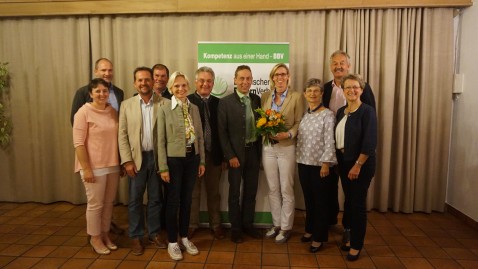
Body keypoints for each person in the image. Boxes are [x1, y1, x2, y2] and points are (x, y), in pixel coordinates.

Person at [323, 50, 376, 245]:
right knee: (330, 189)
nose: (338, 66)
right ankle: (330, 221)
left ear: (349, 66)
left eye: (342, 63)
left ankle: (349, 229)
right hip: (333, 150)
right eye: (335, 63)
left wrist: (360, 161)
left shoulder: (362, 88)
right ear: (330, 67)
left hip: (356, 154)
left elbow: (369, 121)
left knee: (353, 198)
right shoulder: (326, 89)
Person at [70, 57, 124, 236]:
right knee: (96, 204)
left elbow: (120, 132)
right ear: (91, 93)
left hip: (113, 162)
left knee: (108, 203)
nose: (102, 94)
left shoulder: (115, 104)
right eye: (103, 70)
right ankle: (95, 238)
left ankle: (105, 232)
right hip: (93, 163)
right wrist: (86, 167)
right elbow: (78, 137)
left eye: (110, 70)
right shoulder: (83, 108)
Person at [118, 67, 168, 256]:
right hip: (135, 160)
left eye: (147, 80)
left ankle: (154, 233)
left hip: (156, 159)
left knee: (156, 199)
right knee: (135, 200)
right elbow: (122, 135)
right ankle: (136, 235)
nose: (144, 83)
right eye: (140, 80)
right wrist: (127, 161)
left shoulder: (165, 103)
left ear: (153, 82)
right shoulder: (126, 105)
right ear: (134, 83)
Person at [157, 71, 205, 261]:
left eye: (184, 85)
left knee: (187, 200)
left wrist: (201, 161)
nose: (181, 89)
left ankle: (184, 237)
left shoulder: (194, 108)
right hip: (173, 161)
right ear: (170, 89)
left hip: (192, 159)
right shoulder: (163, 108)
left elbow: (199, 136)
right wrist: (163, 167)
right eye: (176, 86)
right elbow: (160, 140)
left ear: (189, 87)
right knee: (173, 201)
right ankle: (172, 242)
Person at [217, 65, 263, 243]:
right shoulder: (225, 102)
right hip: (235, 155)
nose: (245, 82)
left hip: (253, 153)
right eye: (241, 78)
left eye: (248, 78)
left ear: (252, 81)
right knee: (234, 192)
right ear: (235, 80)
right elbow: (222, 132)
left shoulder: (256, 99)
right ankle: (235, 228)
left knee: (251, 191)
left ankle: (247, 224)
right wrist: (230, 156)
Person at [335, 74, 377, 261]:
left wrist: (358, 165)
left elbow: (369, 142)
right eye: (348, 88)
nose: (352, 91)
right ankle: (350, 237)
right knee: (350, 203)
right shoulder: (341, 112)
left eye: (355, 87)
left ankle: (356, 245)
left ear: (361, 90)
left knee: (358, 205)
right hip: (344, 163)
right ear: (342, 90)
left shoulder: (367, 111)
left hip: (361, 165)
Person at [261, 63, 304, 243]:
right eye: (276, 75)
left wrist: (288, 133)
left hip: (287, 147)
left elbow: (299, 121)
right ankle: (277, 224)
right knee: (272, 188)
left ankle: (286, 227)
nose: (280, 77)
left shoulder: (296, 97)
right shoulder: (265, 96)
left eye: (283, 74)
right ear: (272, 78)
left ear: (288, 77)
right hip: (268, 147)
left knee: (286, 188)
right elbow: (262, 120)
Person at [296, 78, 338, 253]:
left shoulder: (327, 114)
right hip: (303, 163)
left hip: (320, 165)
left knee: (321, 202)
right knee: (309, 200)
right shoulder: (306, 115)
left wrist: (326, 163)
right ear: (305, 94)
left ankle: (319, 238)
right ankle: (309, 229)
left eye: (316, 91)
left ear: (321, 94)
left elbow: (330, 140)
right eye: (309, 91)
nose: (312, 94)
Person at [188, 67, 225, 240]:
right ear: (195, 82)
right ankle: (191, 225)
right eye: (202, 80)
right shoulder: (186, 102)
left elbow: (223, 132)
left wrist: (224, 156)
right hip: (193, 157)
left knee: (214, 193)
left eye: (209, 81)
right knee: (193, 193)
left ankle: (216, 225)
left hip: (214, 156)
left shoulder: (220, 103)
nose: (205, 84)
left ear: (213, 83)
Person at [71, 58, 124, 125]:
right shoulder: (83, 92)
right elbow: (75, 119)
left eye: (110, 70)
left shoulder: (119, 92)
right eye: (103, 70)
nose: (107, 73)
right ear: (96, 72)